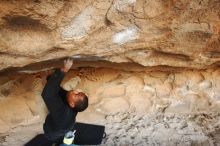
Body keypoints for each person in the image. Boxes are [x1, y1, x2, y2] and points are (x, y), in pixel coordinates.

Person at [25, 58, 88, 146]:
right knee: (66, 89)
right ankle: (79, 75)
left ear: (72, 104)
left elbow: (47, 94)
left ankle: (37, 76)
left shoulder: (63, 112)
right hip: (61, 121)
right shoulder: (74, 105)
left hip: (50, 126)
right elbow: (59, 92)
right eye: (79, 92)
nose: (76, 91)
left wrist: (63, 70)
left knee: (39, 96)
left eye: (77, 94)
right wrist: (50, 77)